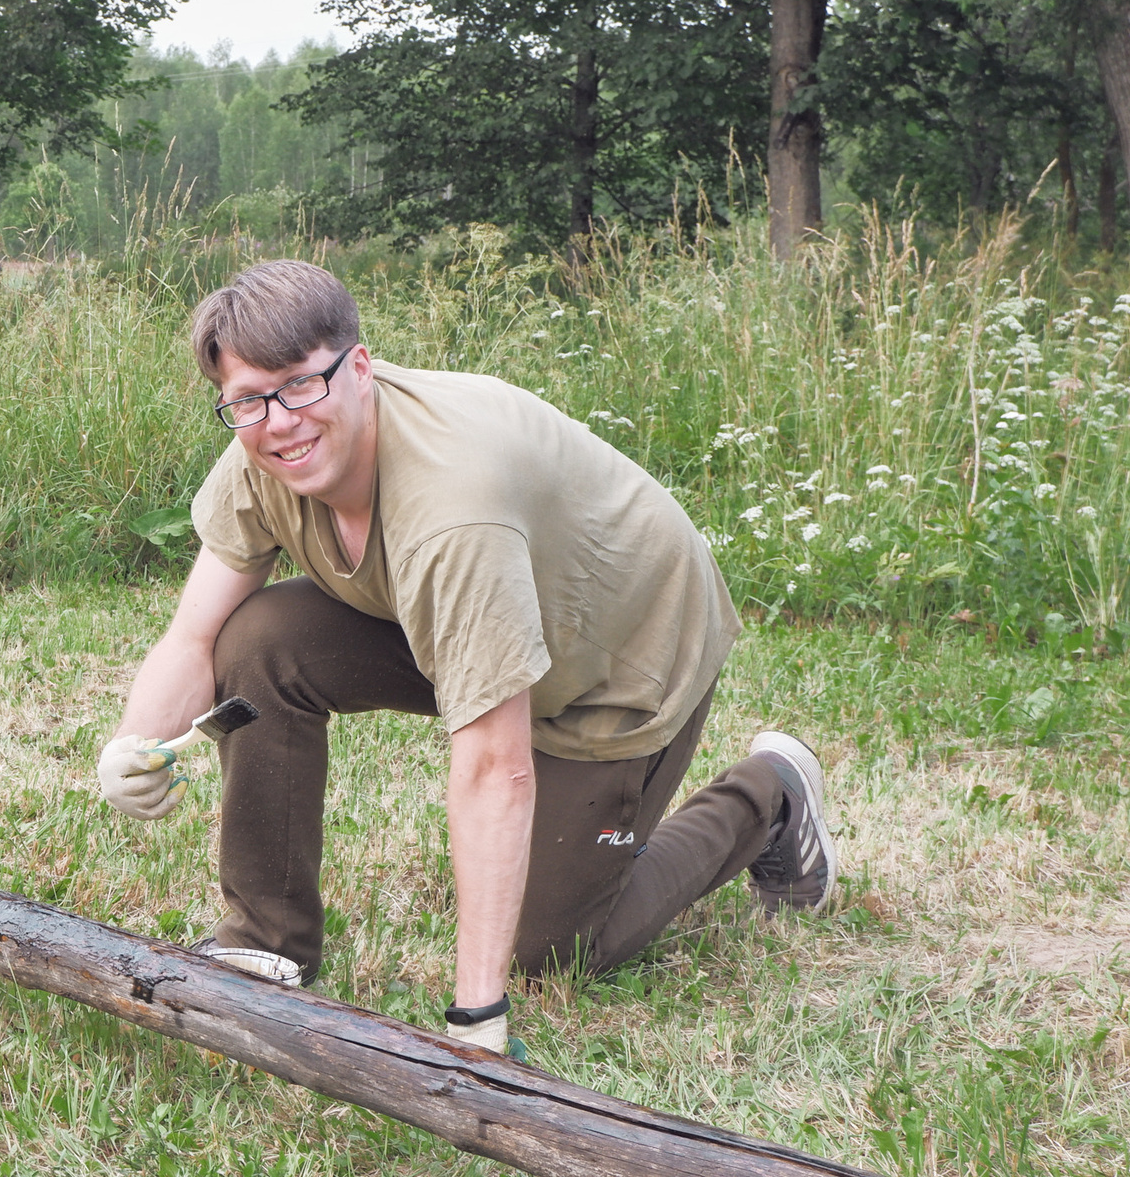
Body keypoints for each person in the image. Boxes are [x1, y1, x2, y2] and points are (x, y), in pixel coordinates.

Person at [98, 261, 836, 1057]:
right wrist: (129, 746)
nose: (278, 422)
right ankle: (267, 934)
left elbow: (494, 765)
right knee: (257, 642)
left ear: (360, 367)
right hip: (481, 611)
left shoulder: (452, 510)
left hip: (618, 655)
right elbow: (193, 636)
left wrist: (477, 1013)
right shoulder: (264, 458)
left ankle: (770, 795)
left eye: (300, 385)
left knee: (552, 948)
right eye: (249, 400)